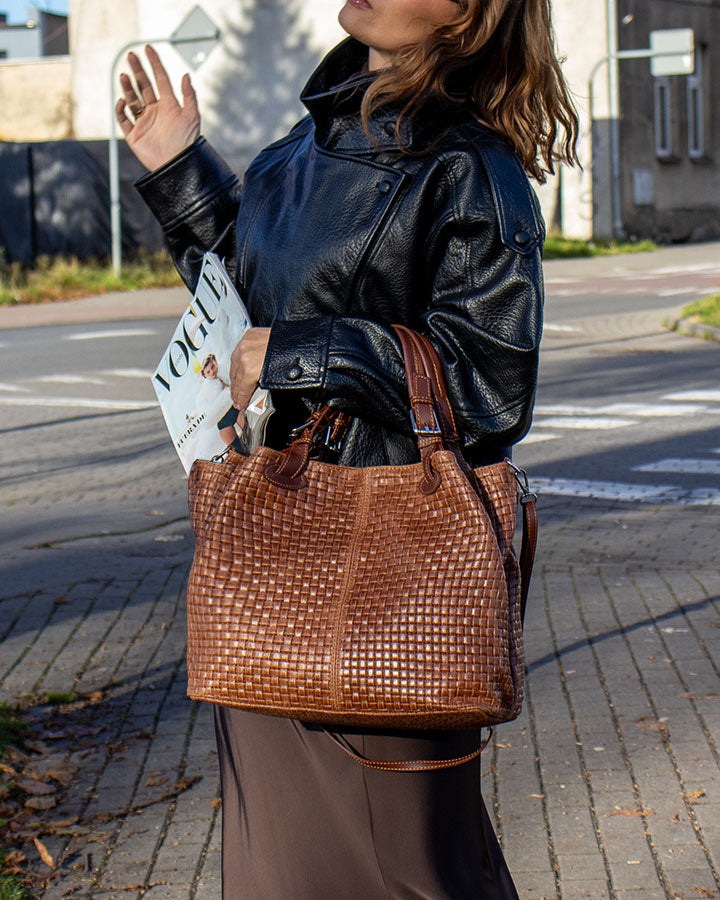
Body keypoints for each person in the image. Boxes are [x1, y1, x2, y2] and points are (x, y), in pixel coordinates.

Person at [117, 0, 579, 896]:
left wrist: (306, 352)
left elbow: (490, 387)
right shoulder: (298, 149)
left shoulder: (469, 168)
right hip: (271, 571)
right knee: (282, 871)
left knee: (407, 869)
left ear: (470, 14)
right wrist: (180, 168)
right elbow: (249, 300)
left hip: (392, 594)